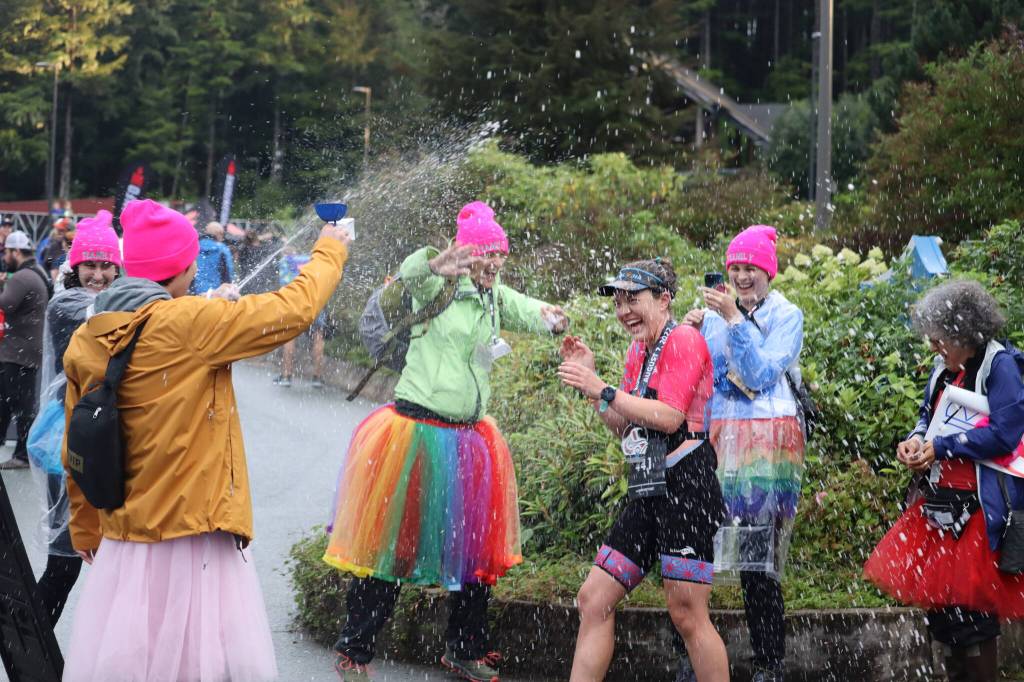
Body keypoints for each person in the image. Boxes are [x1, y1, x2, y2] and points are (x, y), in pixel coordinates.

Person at [61, 199, 352, 681]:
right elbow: (294, 309)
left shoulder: (89, 334)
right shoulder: (194, 323)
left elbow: (77, 446)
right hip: (193, 535)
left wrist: (86, 526)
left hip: (124, 542)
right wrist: (330, 249)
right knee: (200, 664)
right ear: (182, 270)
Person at [325, 201, 568, 682]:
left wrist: (551, 318)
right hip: (415, 435)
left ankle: (465, 648)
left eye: (500, 254)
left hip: (469, 440)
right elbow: (412, 273)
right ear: (466, 253)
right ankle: (355, 648)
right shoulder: (437, 285)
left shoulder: (493, 296)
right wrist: (436, 263)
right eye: (486, 253)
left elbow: (525, 308)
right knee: (393, 548)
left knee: (473, 556)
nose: (494, 263)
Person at [557, 258, 728, 682]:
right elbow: (625, 424)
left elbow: (669, 417)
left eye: (632, 300)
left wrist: (604, 389)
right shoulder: (639, 351)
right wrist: (593, 385)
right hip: (648, 485)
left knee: (687, 613)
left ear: (664, 299)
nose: (624, 311)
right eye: (618, 302)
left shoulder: (684, 339)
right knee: (594, 599)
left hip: (688, 485)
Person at [863, 280, 1024, 682]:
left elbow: (1006, 434)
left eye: (941, 340)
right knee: (944, 620)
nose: (935, 347)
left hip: (980, 512)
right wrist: (915, 441)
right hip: (938, 507)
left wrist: (944, 447)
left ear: (966, 335)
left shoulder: (1000, 366)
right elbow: (927, 417)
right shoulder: (943, 369)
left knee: (974, 620)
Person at [678, 225, 806, 682]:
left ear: (769, 271)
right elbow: (708, 376)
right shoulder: (716, 313)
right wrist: (690, 333)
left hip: (766, 444)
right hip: (718, 438)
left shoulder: (787, 315)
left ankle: (769, 662)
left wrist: (733, 320)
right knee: (697, 547)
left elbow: (758, 374)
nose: (742, 275)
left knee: (758, 560)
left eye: (751, 267)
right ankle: (691, 655)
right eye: (735, 267)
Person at [28, 210, 121, 624]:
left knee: (114, 562)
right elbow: (106, 315)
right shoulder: (67, 304)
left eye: (106, 266)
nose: (98, 275)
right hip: (66, 442)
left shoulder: (116, 301)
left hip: (102, 438)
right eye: (90, 265)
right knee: (64, 564)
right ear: (76, 267)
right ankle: (27, 644)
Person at [0, 231, 52, 469]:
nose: (5, 257)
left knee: (20, 405)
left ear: (16, 252)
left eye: (7, 252)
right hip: (26, 349)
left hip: (18, 352)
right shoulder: (36, 272)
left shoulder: (21, 277)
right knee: (9, 400)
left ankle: (22, 455)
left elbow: (6, 304)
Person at [274, 249, 326, 387]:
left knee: (290, 337)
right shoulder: (314, 260)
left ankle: (286, 376)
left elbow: (284, 284)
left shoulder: (286, 260)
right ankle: (317, 377)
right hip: (314, 302)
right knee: (318, 336)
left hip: (294, 303)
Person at [190, 220, 235, 296]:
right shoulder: (222, 249)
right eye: (222, 234)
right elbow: (228, 274)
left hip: (195, 293)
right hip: (215, 294)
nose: (222, 238)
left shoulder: (195, 246)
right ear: (218, 233)